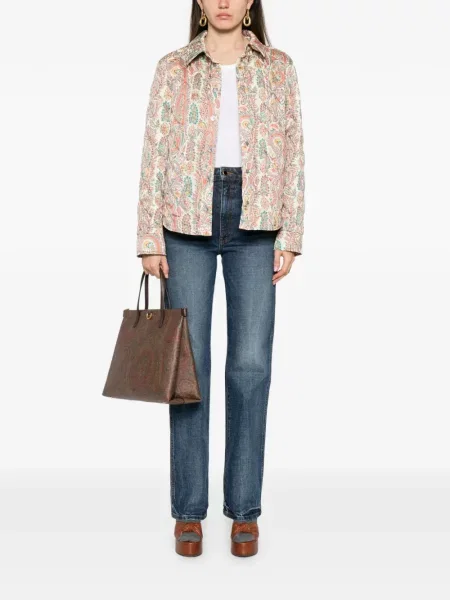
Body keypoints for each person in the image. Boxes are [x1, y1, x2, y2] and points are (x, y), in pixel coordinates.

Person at [136, 0, 305, 557]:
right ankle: (189, 512)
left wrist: (291, 233)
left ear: (251, 1)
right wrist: (148, 237)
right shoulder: (173, 67)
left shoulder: (278, 67)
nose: (225, 1)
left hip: (257, 220)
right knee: (189, 369)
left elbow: (294, 150)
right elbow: (154, 151)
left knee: (251, 367)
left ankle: (244, 511)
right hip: (184, 221)